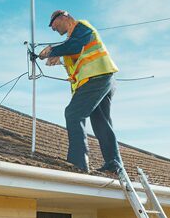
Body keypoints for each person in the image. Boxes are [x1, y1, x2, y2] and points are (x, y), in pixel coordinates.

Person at [36, 10, 123, 174]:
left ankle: (78, 163)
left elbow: (75, 45)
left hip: (96, 78)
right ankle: (114, 164)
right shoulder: (73, 38)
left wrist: (52, 50)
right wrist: (60, 59)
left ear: (63, 17)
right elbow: (77, 51)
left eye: (52, 24)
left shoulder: (81, 26)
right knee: (101, 121)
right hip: (103, 78)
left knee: (73, 114)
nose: (52, 29)